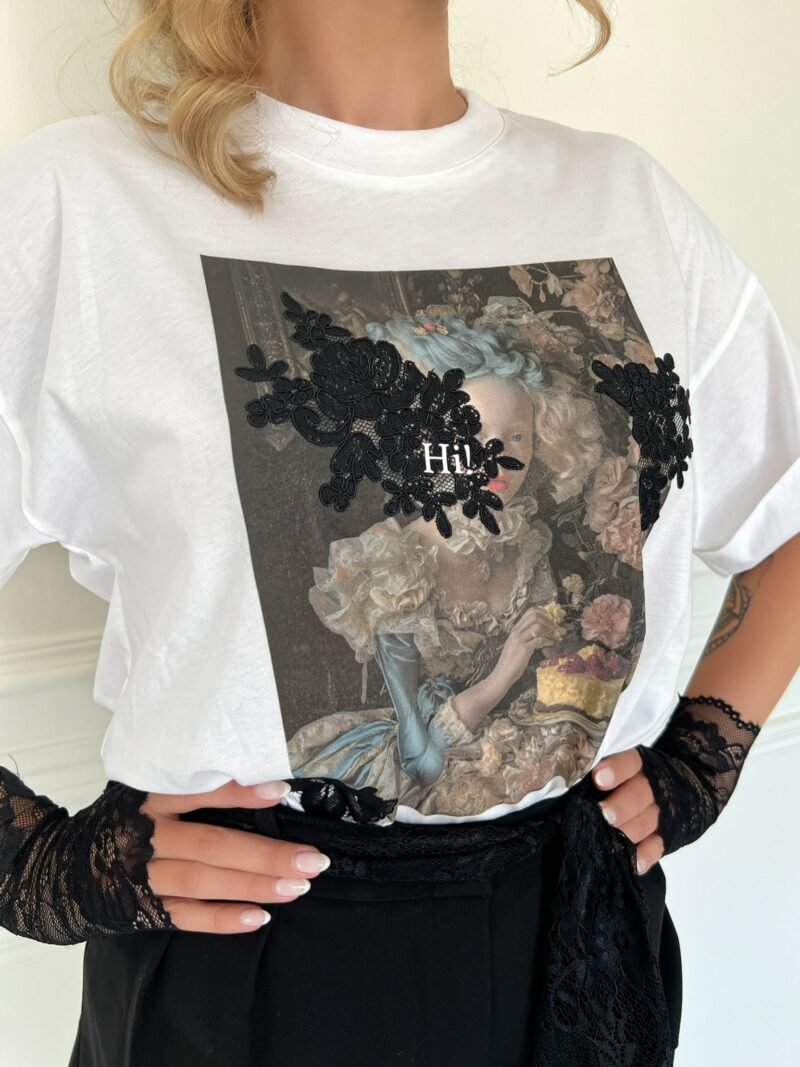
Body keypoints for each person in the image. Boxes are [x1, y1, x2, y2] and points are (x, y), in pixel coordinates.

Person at [1, 2, 799, 1065]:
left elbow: (786, 517)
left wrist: (703, 754)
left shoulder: (625, 197)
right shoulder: (80, 201)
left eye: (515, 444)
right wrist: (33, 864)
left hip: (582, 930)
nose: (490, 468)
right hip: (254, 949)